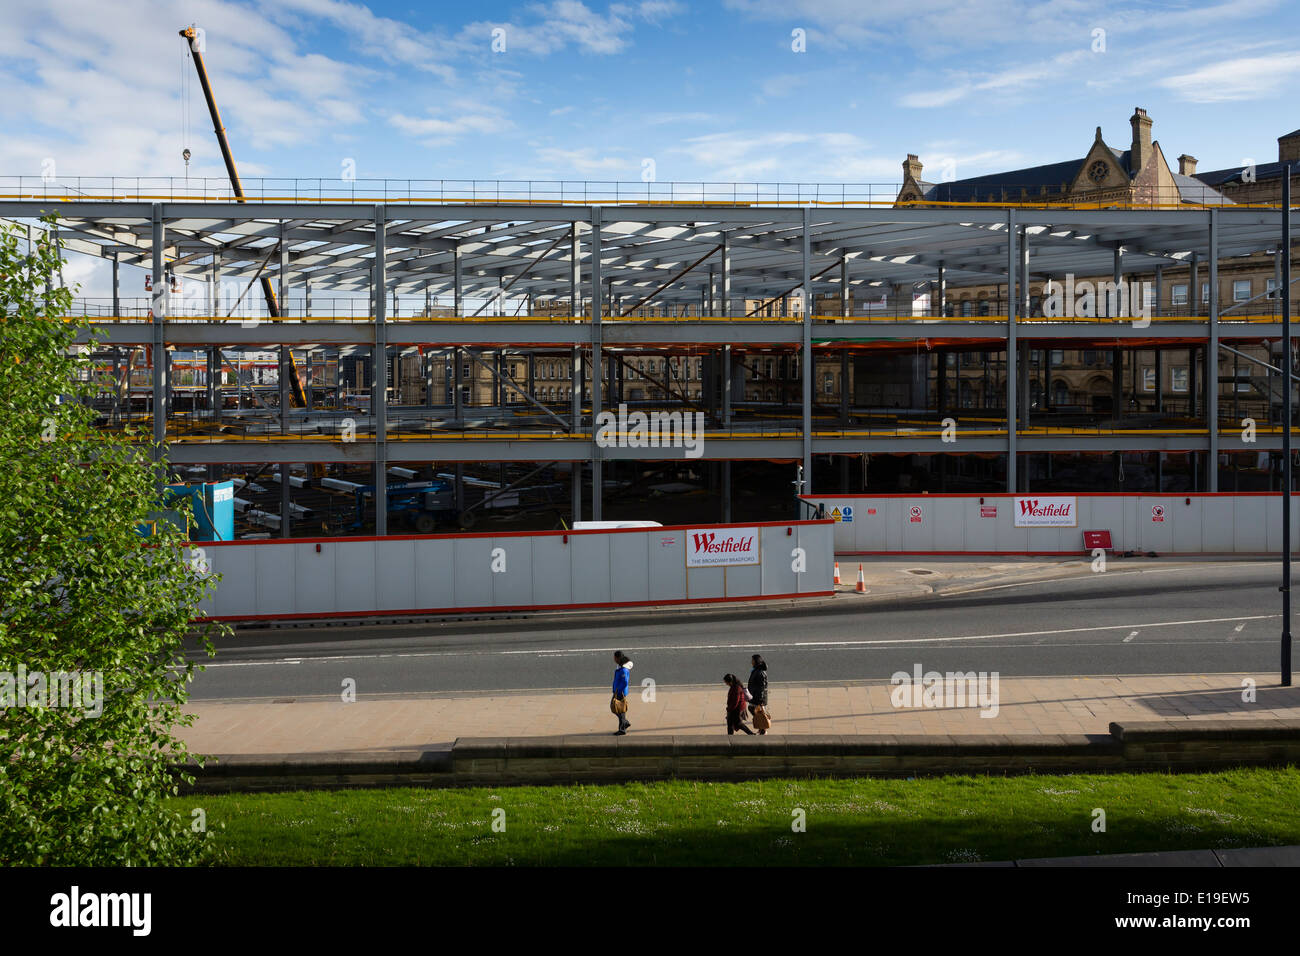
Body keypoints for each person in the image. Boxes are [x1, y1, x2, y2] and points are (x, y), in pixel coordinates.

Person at [611, 651, 633, 735]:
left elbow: (624, 682)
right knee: (621, 710)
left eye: (614, 657)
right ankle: (623, 726)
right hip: (619, 691)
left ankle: (623, 726)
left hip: (620, 692)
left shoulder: (623, 669)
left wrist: (618, 691)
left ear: (618, 658)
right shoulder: (620, 666)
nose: (614, 659)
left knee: (615, 708)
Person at [747, 654, 769, 735]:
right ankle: (761, 729)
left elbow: (762, 688)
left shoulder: (760, 672)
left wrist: (760, 701)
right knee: (755, 711)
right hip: (755, 695)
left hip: (759, 697)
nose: (751, 662)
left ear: (756, 661)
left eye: (752, 660)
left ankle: (763, 729)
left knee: (757, 712)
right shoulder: (756, 670)